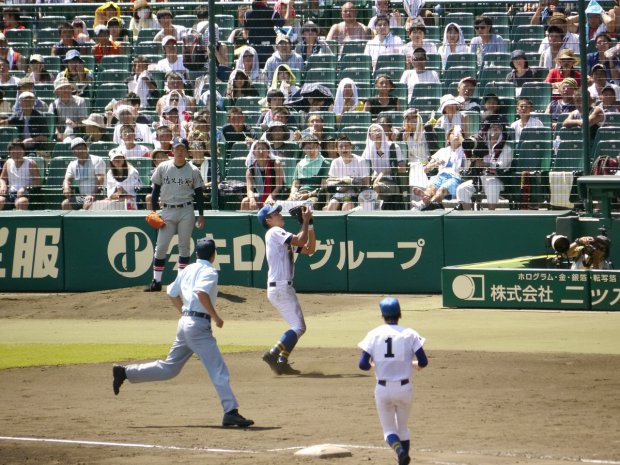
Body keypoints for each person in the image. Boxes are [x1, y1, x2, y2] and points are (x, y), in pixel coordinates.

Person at [112, 238, 255, 429]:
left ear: (196, 254)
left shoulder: (186, 269)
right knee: (218, 369)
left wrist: (184, 313)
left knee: (170, 368)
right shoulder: (209, 271)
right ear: (214, 255)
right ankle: (231, 412)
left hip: (185, 323)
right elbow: (200, 293)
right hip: (197, 326)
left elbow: (171, 292)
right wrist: (216, 317)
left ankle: (125, 372)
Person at [357, 296, 428, 465]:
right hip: (405, 389)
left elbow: (362, 365)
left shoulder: (374, 334)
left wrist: (374, 365)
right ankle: (402, 460)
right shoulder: (410, 333)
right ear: (400, 314)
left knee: (389, 430)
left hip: (383, 390)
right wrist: (415, 364)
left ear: (382, 315)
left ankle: (399, 451)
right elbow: (424, 361)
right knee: (403, 429)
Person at [258, 202, 316, 375]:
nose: (279, 214)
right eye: (275, 213)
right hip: (281, 287)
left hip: (282, 287)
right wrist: (304, 222)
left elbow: (309, 248)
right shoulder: (274, 232)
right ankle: (274, 353)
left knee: (297, 326)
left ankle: (281, 362)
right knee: (298, 327)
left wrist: (310, 224)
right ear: (268, 220)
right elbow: (300, 239)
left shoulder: (280, 238)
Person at [145, 137, 205, 292]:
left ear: (187, 151)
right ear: (172, 150)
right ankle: (156, 281)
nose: (179, 151)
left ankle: (181, 282)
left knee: (184, 247)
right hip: (168, 210)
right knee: (161, 246)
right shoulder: (163, 167)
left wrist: (201, 215)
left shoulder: (193, 170)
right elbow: (155, 191)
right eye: (177, 148)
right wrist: (152, 210)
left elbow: (199, 194)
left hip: (186, 209)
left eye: (182, 148)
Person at [456, 118, 512, 210]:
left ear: (502, 132)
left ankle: (491, 215)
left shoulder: (507, 149)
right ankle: (467, 215)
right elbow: (469, 153)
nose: (495, 128)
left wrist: (485, 164)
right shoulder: (483, 146)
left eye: (498, 127)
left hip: (499, 178)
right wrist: (474, 160)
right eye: (492, 127)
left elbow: (500, 166)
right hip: (481, 178)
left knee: (492, 186)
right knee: (461, 189)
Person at [411, 126, 465, 211]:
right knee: (431, 189)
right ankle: (425, 201)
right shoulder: (442, 151)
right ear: (448, 138)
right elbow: (426, 169)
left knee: (441, 190)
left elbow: (466, 146)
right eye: (453, 133)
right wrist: (436, 163)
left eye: (458, 134)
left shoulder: (464, 150)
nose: (456, 135)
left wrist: (460, 136)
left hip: (455, 177)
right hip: (440, 176)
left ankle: (423, 203)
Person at [324, 135, 370, 211]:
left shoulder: (360, 161)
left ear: (351, 147)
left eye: (346, 146)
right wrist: (327, 203)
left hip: (355, 194)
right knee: (331, 205)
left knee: (347, 205)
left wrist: (350, 183)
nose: (344, 149)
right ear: (337, 150)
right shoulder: (335, 162)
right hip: (339, 194)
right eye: (341, 147)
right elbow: (330, 182)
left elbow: (366, 183)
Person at [62, 137, 106, 211]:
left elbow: (100, 180)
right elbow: (67, 179)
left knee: (87, 205)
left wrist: (93, 195)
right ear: (74, 152)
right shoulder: (72, 164)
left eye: (82, 147)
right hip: (83, 197)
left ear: (86, 148)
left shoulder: (97, 160)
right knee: (65, 204)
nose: (81, 150)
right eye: (77, 149)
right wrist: (66, 188)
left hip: (99, 194)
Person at [240, 140, 284, 210]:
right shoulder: (250, 170)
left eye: (263, 149)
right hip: (261, 196)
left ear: (268, 151)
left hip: (276, 197)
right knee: (245, 202)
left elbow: (279, 187)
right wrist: (252, 199)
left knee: (270, 204)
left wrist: (270, 197)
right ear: (253, 152)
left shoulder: (276, 164)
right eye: (258, 149)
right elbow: (249, 190)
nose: (261, 152)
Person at [289, 134, 330, 206]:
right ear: (303, 149)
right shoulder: (300, 164)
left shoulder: (325, 163)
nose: (311, 151)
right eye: (308, 148)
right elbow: (295, 185)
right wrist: (293, 194)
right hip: (300, 194)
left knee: (307, 205)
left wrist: (307, 195)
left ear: (318, 147)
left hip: (314, 195)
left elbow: (323, 188)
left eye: (314, 147)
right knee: (284, 206)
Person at [0, 140, 41, 211]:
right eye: (13, 152)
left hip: (27, 194)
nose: (16, 154)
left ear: (23, 151)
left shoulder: (31, 163)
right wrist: (3, 185)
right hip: (11, 193)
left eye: (19, 151)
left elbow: (37, 181)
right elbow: (2, 178)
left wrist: (25, 188)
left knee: (21, 202)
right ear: (9, 153)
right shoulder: (8, 163)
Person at [244, 0, 284, 67]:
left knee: (255, 72)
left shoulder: (247, 13)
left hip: (253, 49)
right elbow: (281, 23)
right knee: (270, 71)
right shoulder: (271, 12)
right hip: (268, 49)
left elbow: (246, 31)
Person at [49, 78, 88, 142]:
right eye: (62, 88)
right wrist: (59, 134)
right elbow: (51, 125)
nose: (65, 90)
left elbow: (84, 121)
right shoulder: (53, 105)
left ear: (71, 89)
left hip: (77, 134)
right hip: (60, 135)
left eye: (67, 87)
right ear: (57, 92)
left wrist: (75, 124)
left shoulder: (80, 101)